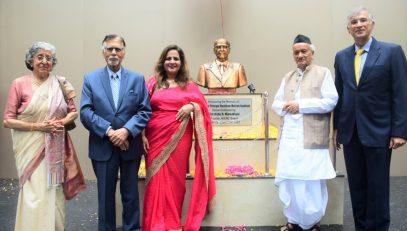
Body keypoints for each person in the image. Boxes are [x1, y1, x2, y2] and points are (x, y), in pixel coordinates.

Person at [333, 7, 407, 231]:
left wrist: (400, 131)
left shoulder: (392, 52)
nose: (358, 24)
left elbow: (401, 92)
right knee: (356, 187)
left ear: (372, 24)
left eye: (363, 20)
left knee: (377, 187)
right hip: (351, 132)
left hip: (380, 131)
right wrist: (336, 128)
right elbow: (341, 94)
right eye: (354, 22)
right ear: (348, 29)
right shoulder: (341, 56)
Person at [3, 41, 86, 231]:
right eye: (40, 57)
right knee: (34, 194)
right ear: (31, 60)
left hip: (54, 147)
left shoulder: (61, 83)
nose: (44, 61)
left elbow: (73, 112)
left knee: (53, 192)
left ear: (53, 62)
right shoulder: (19, 84)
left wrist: (59, 123)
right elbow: (8, 120)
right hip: (30, 148)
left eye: (49, 58)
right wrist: (39, 126)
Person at [80, 34, 151, 231]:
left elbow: (144, 110)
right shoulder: (90, 79)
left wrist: (126, 131)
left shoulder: (137, 79)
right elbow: (86, 112)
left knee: (130, 195)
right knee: (105, 197)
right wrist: (111, 132)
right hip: (103, 147)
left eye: (117, 49)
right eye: (109, 49)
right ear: (103, 52)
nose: (113, 53)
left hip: (130, 147)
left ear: (124, 53)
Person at [141, 44, 216, 231]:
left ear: (181, 63)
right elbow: (141, 109)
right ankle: (154, 224)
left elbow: (204, 108)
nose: (172, 62)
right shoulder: (152, 83)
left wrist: (192, 106)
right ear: (162, 61)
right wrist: (142, 134)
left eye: (176, 59)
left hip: (180, 138)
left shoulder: (189, 85)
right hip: (155, 137)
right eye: (168, 58)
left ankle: (172, 224)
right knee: (155, 181)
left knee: (176, 181)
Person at [272, 34, 338, 231]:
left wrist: (300, 105)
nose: (300, 55)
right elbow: (276, 103)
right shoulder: (288, 77)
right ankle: (293, 220)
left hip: (312, 138)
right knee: (292, 181)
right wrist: (285, 106)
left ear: (312, 53)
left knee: (311, 182)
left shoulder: (323, 73)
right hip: (290, 140)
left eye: (304, 51)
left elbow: (330, 101)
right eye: (296, 52)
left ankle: (312, 223)